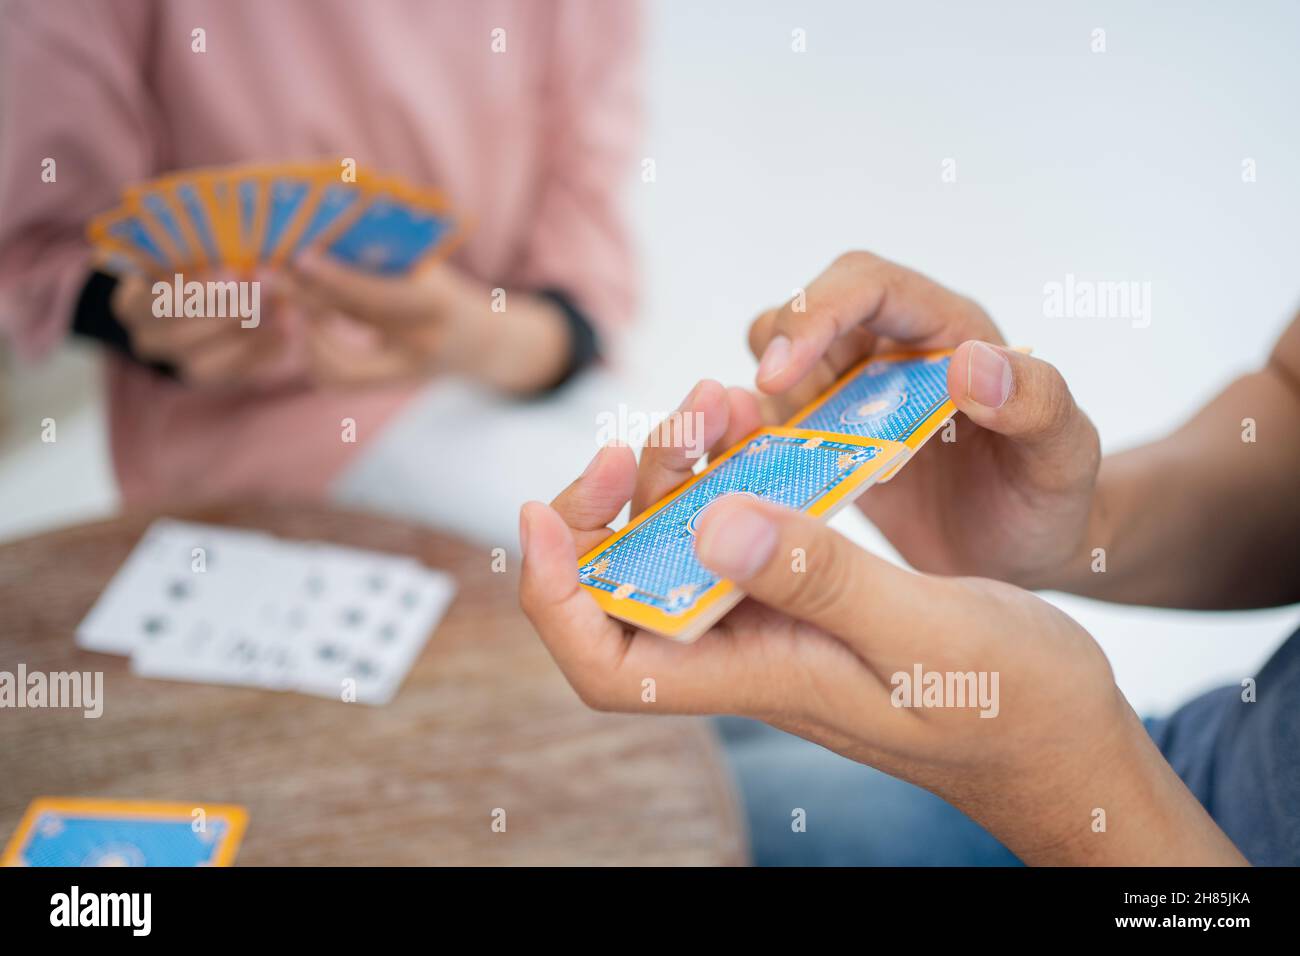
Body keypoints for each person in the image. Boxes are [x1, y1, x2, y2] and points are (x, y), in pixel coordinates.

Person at [518, 250, 1300, 865]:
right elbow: (1293, 397)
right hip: (1180, 760)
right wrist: (1082, 529)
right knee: (590, 770)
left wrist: (1071, 787)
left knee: (582, 822)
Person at [0, 0, 638, 505]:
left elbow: (581, 277)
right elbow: (42, 249)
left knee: (667, 510)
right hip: (254, 434)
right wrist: (150, 320)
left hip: (521, 387)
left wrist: (480, 336)